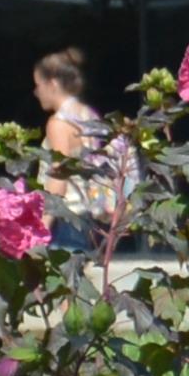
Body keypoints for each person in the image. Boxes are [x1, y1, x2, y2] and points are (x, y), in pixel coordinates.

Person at [31, 46, 130, 253]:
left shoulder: (58, 123)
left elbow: (59, 177)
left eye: (38, 85)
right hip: (86, 219)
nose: (36, 92)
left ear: (53, 84)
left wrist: (41, 228)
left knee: (58, 282)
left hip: (63, 220)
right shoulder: (88, 115)